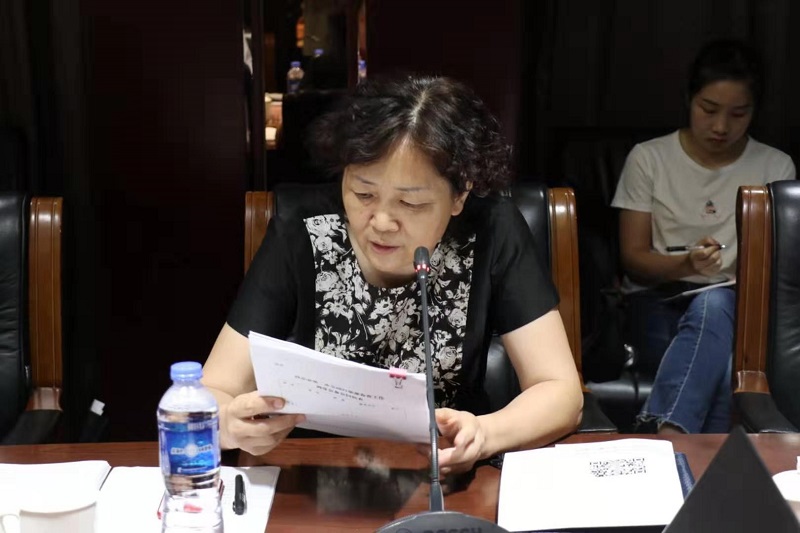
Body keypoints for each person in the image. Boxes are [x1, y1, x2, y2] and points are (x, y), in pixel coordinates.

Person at [201, 75, 583, 474]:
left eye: (411, 203)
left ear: (460, 195)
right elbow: (214, 389)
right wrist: (228, 424)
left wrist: (485, 434)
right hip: (314, 472)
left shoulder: (491, 230)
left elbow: (560, 391)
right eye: (363, 194)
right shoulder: (304, 228)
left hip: (442, 473)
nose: (381, 222)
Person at [612, 39, 796, 434]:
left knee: (715, 303)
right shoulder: (649, 158)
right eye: (708, 110)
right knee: (726, 368)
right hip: (658, 299)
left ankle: (669, 439)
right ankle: (702, 458)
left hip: (736, 305)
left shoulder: (775, 165)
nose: (720, 127)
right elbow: (633, 258)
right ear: (688, 99)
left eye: (738, 114)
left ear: (755, 111)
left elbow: (776, 270)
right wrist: (685, 263)